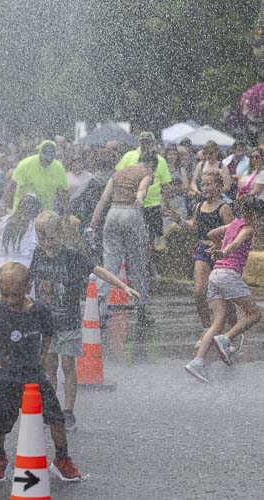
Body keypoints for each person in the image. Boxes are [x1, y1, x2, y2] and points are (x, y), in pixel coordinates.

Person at [30, 211, 139, 430]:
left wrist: (123, 286)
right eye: (42, 239)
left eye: (51, 238)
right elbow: (28, 280)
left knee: (68, 365)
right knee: (49, 366)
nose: (47, 244)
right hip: (45, 323)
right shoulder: (38, 254)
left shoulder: (72, 255)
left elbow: (98, 270)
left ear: (61, 234)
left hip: (68, 321)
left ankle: (68, 411)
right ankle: (51, 408)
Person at [0, 262, 82, 481]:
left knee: (55, 417)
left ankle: (62, 459)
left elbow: (47, 332)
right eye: (4, 294)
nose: (10, 300)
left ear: (29, 286)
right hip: (5, 376)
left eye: (15, 295)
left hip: (33, 375)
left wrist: (43, 355)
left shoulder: (40, 309)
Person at [184, 196, 264, 383]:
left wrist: (219, 246)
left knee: (217, 322)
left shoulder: (234, 224)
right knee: (255, 314)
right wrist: (225, 251)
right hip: (229, 274)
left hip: (216, 274)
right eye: (261, 217)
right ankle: (226, 339)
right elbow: (237, 243)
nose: (261, 221)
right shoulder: (247, 228)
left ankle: (197, 362)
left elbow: (212, 233)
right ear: (253, 214)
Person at [90, 157, 155, 328]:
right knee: (137, 265)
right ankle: (143, 311)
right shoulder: (147, 172)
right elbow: (142, 189)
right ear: (150, 164)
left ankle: (99, 311)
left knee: (109, 265)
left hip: (113, 213)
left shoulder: (118, 174)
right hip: (130, 212)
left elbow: (103, 199)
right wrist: (140, 198)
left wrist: (93, 225)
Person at [168, 171, 233, 328]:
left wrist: (221, 244)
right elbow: (194, 229)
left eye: (208, 184)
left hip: (220, 253)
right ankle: (207, 328)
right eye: (202, 184)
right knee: (198, 292)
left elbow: (233, 232)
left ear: (218, 187)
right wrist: (180, 221)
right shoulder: (199, 206)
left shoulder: (224, 208)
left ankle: (232, 330)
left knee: (226, 295)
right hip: (202, 250)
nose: (204, 188)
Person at [115, 132, 172, 250]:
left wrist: (166, 206)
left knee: (152, 240)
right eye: (143, 141)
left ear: (152, 143)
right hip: (132, 205)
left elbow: (166, 186)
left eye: (148, 141)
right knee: (132, 238)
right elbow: (118, 176)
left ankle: (149, 264)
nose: (145, 144)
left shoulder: (160, 160)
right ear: (139, 142)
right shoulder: (129, 156)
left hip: (153, 206)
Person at [4, 140, 69, 214]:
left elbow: (65, 194)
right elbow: (11, 188)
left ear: (54, 156)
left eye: (49, 159)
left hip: (45, 215)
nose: (46, 161)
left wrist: (66, 213)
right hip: (22, 212)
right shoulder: (25, 165)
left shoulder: (59, 168)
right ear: (40, 152)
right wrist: (6, 208)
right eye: (44, 157)